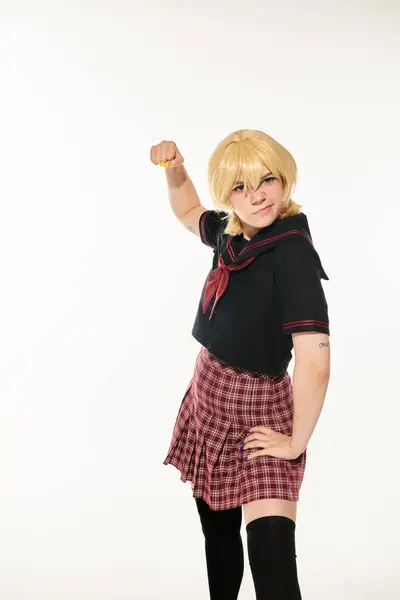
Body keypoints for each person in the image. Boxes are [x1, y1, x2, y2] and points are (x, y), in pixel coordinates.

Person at [150, 129, 331, 600]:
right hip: (209, 396)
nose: (256, 197)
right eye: (240, 187)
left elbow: (314, 359)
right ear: (227, 194)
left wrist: (295, 442)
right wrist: (174, 171)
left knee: (272, 564)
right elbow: (189, 212)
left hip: (261, 414)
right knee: (219, 535)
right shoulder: (232, 234)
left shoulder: (291, 254)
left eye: (267, 179)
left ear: (284, 177)